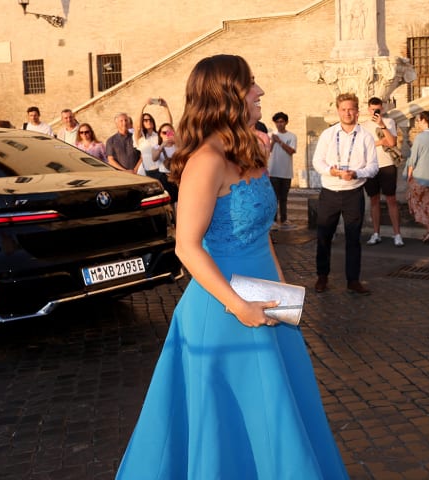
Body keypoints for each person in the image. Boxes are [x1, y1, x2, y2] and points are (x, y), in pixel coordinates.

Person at [115, 54, 349, 480]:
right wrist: (240, 306)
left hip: (266, 301)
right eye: (251, 84)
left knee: (278, 413)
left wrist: (281, 298)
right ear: (227, 96)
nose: (259, 92)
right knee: (228, 423)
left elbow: (263, 236)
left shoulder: (250, 151)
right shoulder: (206, 160)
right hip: (222, 308)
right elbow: (186, 247)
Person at [312, 92, 378, 295]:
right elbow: (317, 161)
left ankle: (353, 280)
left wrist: (357, 173)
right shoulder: (328, 134)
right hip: (330, 192)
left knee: (353, 238)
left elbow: (373, 167)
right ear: (338, 111)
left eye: (351, 109)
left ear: (357, 111)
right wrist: (330, 171)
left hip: (353, 193)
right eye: (343, 109)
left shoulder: (366, 136)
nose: (347, 113)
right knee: (324, 236)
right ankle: (322, 277)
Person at [362, 96, 404, 247]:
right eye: (373, 110)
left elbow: (392, 142)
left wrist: (381, 125)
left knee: (391, 199)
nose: (375, 112)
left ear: (383, 109)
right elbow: (364, 146)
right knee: (374, 200)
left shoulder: (389, 122)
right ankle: (376, 233)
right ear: (368, 109)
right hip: (371, 166)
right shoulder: (364, 126)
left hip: (387, 165)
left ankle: (397, 234)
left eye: (378, 110)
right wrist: (380, 142)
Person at [405, 111, 429, 243]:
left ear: (423, 121)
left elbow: (413, 159)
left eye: (418, 121)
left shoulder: (420, 137)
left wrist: (409, 175)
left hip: (421, 176)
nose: (417, 123)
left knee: (414, 203)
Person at [269, 111, 298, 229]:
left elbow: (291, 151)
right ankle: (273, 220)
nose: (279, 124)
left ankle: (284, 219)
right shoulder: (271, 135)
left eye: (282, 122)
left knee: (284, 197)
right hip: (273, 171)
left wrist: (279, 141)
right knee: (273, 197)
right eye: (277, 122)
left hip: (286, 172)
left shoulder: (292, 136)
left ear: (286, 122)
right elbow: (267, 151)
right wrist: (272, 141)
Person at [135, 99, 173, 176]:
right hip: (149, 171)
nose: (148, 121)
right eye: (145, 120)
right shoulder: (140, 138)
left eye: (150, 120)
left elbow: (169, 126)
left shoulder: (158, 135)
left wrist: (165, 107)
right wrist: (143, 105)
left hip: (162, 170)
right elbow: (138, 126)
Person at [152, 122, 179, 202]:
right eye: (164, 133)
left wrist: (176, 141)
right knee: (168, 200)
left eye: (170, 132)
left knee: (179, 199)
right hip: (165, 177)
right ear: (160, 134)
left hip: (177, 176)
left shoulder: (177, 146)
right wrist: (162, 146)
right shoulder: (156, 147)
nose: (167, 135)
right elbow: (154, 158)